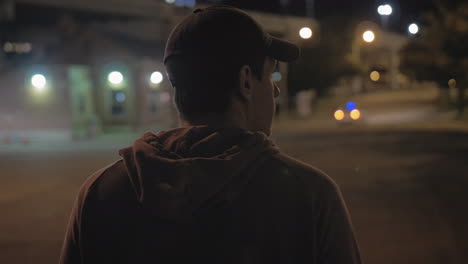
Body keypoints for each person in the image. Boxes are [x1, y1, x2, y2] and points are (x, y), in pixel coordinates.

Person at [60, 6, 361, 264]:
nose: (276, 89)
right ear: (245, 81)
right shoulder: (309, 196)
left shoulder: (100, 193)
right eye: (269, 75)